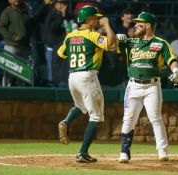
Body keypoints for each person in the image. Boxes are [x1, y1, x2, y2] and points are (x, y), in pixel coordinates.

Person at [116, 12, 178, 163]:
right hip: (133, 85)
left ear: (148, 25)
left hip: (152, 85)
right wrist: (117, 38)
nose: (136, 25)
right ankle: (124, 152)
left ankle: (162, 150)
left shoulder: (160, 43)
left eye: (140, 23)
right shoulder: (130, 42)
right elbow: (111, 46)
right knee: (128, 119)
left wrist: (176, 72)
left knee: (155, 118)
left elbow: (172, 59)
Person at [57, 6, 116, 163]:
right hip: (88, 76)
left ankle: (66, 122)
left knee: (81, 107)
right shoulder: (93, 35)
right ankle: (82, 153)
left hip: (73, 77)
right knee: (96, 116)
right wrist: (107, 25)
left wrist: (77, 49)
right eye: (95, 18)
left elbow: (60, 53)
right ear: (89, 20)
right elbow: (111, 45)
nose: (97, 20)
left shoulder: (70, 36)